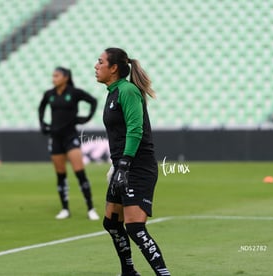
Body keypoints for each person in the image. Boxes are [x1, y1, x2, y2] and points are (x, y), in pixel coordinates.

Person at [95, 48, 170, 276]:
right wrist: (117, 166)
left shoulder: (127, 91)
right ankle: (128, 271)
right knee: (112, 223)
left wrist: (125, 165)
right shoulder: (113, 92)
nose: (96, 66)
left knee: (135, 228)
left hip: (137, 167)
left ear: (114, 68)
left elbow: (135, 130)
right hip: (122, 166)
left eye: (100, 62)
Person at [38, 66, 100, 220]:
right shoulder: (50, 94)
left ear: (65, 77)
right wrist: (43, 124)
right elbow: (41, 107)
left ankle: (91, 208)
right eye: (53, 76)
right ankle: (65, 209)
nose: (54, 78)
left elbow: (93, 101)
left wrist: (86, 118)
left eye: (57, 76)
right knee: (60, 175)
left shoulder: (74, 93)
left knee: (79, 172)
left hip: (70, 137)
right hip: (55, 138)